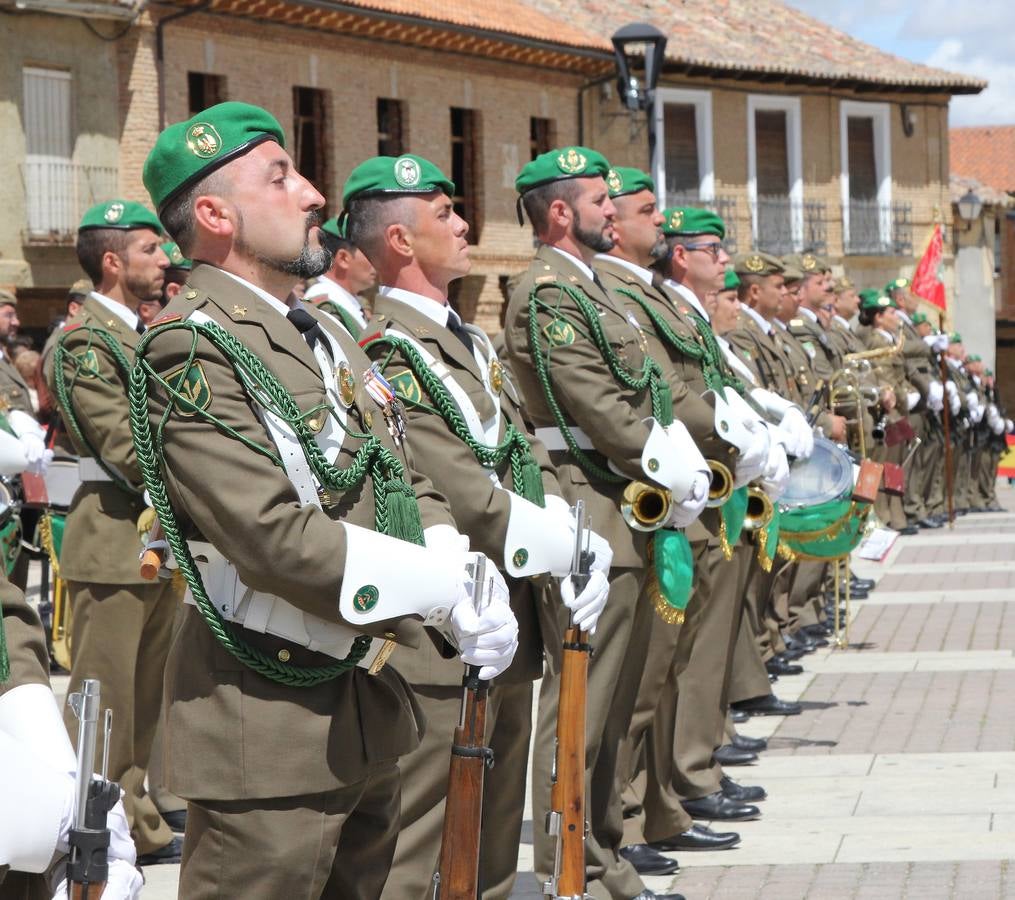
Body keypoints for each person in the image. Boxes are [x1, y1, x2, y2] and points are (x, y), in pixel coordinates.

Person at [140, 100, 518, 898]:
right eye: (281, 177)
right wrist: (437, 588)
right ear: (214, 214)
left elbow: (400, 471)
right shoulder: (192, 344)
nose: (314, 194)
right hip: (268, 720)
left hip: (364, 698)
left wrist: (452, 553)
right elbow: (269, 535)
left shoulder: (324, 334)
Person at [347, 153, 611, 899]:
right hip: (447, 623)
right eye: (444, 214)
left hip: (514, 605)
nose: (465, 225)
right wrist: (555, 543)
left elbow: (522, 443)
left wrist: (571, 524)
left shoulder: (467, 339)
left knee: (492, 835)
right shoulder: (387, 352)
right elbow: (456, 486)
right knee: (427, 835)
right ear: (400, 240)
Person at [504, 146, 704, 900]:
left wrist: (672, 459)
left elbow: (644, 392)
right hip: (590, 505)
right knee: (581, 710)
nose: (610, 212)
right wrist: (664, 459)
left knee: (617, 705)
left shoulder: (596, 293)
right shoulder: (548, 294)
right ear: (561, 213)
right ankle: (571, 866)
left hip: (628, 505)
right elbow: (593, 402)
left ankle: (603, 858)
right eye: (597, 201)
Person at [593, 183, 778, 867]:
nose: (653, 229)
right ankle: (642, 809)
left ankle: (669, 793)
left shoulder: (649, 296)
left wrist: (749, 429)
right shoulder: (617, 294)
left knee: (674, 669)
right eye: (644, 215)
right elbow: (659, 392)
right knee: (645, 682)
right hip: (658, 497)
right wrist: (729, 432)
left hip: (696, 492)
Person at [44, 199, 182, 865]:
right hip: (114, 538)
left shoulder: (140, 335)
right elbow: (127, 446)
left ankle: (135, 819)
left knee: (143, 699)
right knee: (103, 701)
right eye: (150, 250)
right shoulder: (84, 342)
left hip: (154, 538)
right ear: (112, 261)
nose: (164, 261)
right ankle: (88, 821)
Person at [304, 215, 374, 336]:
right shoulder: (326, 307)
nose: (375, 261)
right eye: (369, 252)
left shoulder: (347, 301)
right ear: (343, 258)